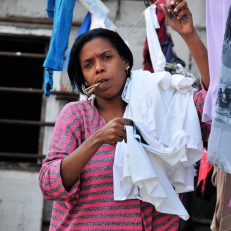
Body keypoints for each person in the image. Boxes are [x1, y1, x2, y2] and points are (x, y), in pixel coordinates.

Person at [38, 0, 210, 230]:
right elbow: (49, 184)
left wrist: (189, 35)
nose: (99, 68)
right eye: (88, 65)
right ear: (84, 79)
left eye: (107, 57)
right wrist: (97, 139)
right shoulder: (75, 116)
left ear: (125, 62)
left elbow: (216, 101)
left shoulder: (162, 101)